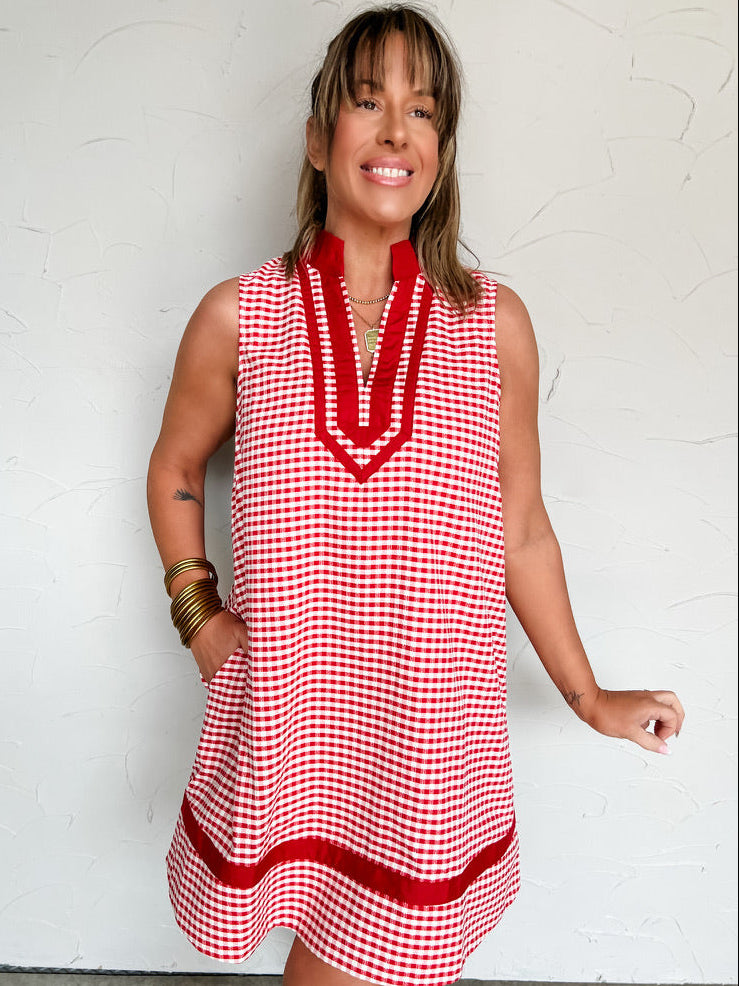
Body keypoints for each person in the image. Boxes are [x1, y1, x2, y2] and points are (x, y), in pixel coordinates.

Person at [146, 5, 685, 985]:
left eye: (423, 111)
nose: (396, 131)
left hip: (429, 744)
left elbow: (521, 529)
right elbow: (177, 467)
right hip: (288, 730)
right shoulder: (240, 316)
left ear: (442, 151)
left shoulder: (493, 325)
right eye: (367, 103)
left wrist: (586, 694)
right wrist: (200, 616)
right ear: (318, 140)